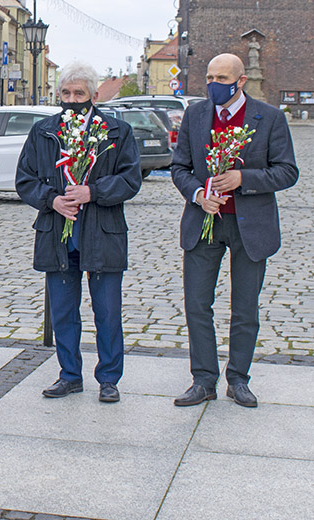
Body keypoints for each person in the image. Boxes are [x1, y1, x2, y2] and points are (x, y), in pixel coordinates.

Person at [171, 53, 298, 408]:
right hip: (204, 224)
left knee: (245, 307)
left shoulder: (269, 118)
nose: (214, 84)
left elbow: (287, 171)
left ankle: (239, 379)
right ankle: (203, 380)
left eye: (222, 78)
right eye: (210, 77)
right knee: (197, 304)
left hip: (250, 226)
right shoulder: (195, 115)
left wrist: (245, 179)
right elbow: (180, 167)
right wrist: (198, 195)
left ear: (240, 81)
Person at [16, 61, 142, 403]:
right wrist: (51, 200)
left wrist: (93, 192)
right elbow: (25, 180)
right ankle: (69, 374)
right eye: (66, 93)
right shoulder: (44, 130)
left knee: (107, 311)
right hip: (57, 233)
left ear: (94, 95)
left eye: (79, 93)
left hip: (102, 232)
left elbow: (131, 179)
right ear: (59, 94)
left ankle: (109, 378)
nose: (72, 99)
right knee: (63, 312)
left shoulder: (116, 131)